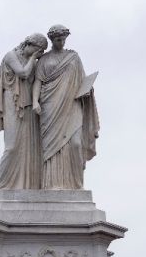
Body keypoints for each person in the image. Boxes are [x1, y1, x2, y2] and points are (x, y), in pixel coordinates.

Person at [31, 24, 100, 190]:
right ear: (52, 40)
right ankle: (51, 184)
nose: (60, 42)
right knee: (50, 148)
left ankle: (76, 185)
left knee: (75, 143)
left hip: (72, 104)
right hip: (50, 105)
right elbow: (38, 82)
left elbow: (82, 79)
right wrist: (35, 101)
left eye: (63, 39)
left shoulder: (73, 58)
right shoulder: (44, 60)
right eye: (57, 40)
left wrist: (87, 90)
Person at [0, 33, 49, 190]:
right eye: (38, 50)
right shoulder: (11, 56)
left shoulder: (34, 61)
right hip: (12, 101)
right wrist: (33, 59)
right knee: (11, 146)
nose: (39, 55)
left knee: (28, 147)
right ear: (29, 45)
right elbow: (23, 74)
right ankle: (3, 187)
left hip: (28, 105)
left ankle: (27, 186)